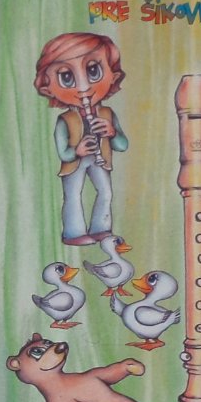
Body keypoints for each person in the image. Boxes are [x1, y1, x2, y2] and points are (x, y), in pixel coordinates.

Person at [34, 32, 128, 245]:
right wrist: (77, 151)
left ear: (113, 76)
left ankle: (101, 229)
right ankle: (74, 233)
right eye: (66, 77)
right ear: (48, 88)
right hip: (75, 163)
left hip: (99, 160)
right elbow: (63, 152)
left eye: (93, 71)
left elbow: (123, 145)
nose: (83, 87)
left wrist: (112, 133)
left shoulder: (107, 114)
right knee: (73, 195)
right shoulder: (64, 120)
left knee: (105, 192)